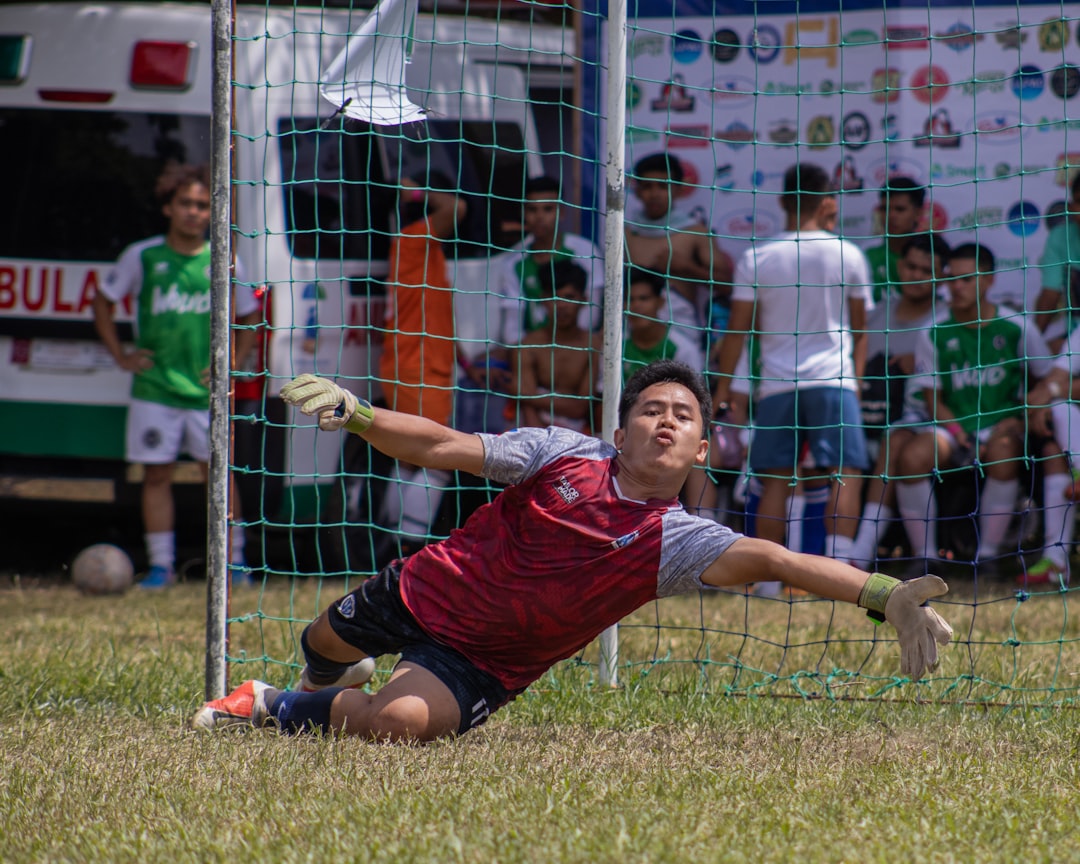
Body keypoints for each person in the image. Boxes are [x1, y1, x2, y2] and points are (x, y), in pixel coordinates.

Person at [192, 360, 953, 742]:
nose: (665, 420)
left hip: (485, 661)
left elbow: (778, 561)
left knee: (396, 728)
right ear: (619, 432)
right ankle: (328, 674)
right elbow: (445, 445)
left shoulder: (678, 540)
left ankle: (271, 703)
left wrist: (883, 595)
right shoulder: (561, 453)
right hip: (427, 590)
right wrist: (359, 413)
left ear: (702, 450)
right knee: (322, 641)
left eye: (682, 415)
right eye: (650, 410)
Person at [93, 162, 260, 589]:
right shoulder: (143, 255)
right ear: (168, 207)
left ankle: (234, 563)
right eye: (185, 203)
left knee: (218, 476)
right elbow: (103, 301)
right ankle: (161, 567)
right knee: (156, 476)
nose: (194, 212)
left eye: (202, 205)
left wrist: (233, 365)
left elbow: (251, 315)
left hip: (207, 393)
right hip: (155, 388)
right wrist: (122, 355)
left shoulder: (225, 258)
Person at [713, 162, 872, 564]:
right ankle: (838, 570)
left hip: (777, 384)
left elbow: (736, 333)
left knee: (775, 481)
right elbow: (862, 329)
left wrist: (721, 392)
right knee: (846, 473)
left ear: (783, 201)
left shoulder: (757, 257)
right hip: (834, 381)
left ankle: (768, 582)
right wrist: (857, 380)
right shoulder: (849, 254)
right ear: (826, 203)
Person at [894, 243, 1056, 572]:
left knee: (1004, 452)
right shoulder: (933, 331)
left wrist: (1020, 419)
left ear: (989, 280)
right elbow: (933, 401)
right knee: (911, 458)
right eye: (952, 278)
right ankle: (926, 557)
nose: (957, 287)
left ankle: (988, 557)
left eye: (967, 279)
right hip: (953, 428)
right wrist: (960, 434)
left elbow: (1047, 380)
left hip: (1003, 426)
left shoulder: (1017, 326)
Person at [377, 172, 467, 551]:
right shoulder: (415, 239)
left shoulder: (413, 246)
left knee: (410, 458)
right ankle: (408, 544)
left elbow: (436, 313)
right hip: (420, 368)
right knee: (436, 458)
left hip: (410, 365)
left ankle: (393, 539)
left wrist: (462, 357)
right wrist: (414, 189)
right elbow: (457, 208)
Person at [849, 233, 950, 568]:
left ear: (941, 276)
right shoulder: (876, 314)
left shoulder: (946, 319)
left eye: (926, 270)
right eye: (910, 266)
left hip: (925, 418)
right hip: (866, 415)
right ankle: (835, 548)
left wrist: (918, 363)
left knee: (896, 442)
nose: (916, 275)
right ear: (900, 266)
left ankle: (860, 554)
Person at [621, 266, 709, 516]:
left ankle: (704, 517)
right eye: (630, 299)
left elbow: (695, 403)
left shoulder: (681, 346)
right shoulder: (615, 346)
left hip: (673, 427)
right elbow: (601, 397)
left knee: (695, 453)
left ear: (660, 302)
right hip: (629, 426)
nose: (636, 306)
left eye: (644, 298)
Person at [624, 152, 734, 350]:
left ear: (678, 189)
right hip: (632, 331)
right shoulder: (625, 233)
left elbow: (727, 286)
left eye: (663, 186)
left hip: (681, 332)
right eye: (647, 186)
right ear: (637, 190)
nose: (654, 194)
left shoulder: (696, 232)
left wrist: (687, 268)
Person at [497, 175, 603, 341]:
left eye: (547, 209)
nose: (539, 217)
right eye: (532, 210)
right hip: (533, 347)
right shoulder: (513, 263)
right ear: (523, 213)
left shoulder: (585, 251)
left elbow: (591, 315)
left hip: (578, 344)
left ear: (562, 212)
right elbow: (512, 328)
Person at [513, 260, 602, 432]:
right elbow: (526, 406)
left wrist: (525, 394)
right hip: (532, 431)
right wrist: (541, 440)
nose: (561, 305)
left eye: (569, 297)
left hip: (580, 433)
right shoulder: (528, 345)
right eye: (554, 297)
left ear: (583, 300)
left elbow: (580, 408)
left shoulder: (593, 345)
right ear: (543, 300)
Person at [1033, 172, 1080, 351]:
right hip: (1073, 338)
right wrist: (1032, 345)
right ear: (1071, 206)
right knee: (1041, 358)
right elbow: (1050, 294)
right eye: (1079, 201)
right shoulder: (1060, 237)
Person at [863, 176, 926, 303]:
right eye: (884, 209)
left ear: (918, 213)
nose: (891, 216)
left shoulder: (932, 254)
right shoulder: (866, 253)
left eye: (900, 209)